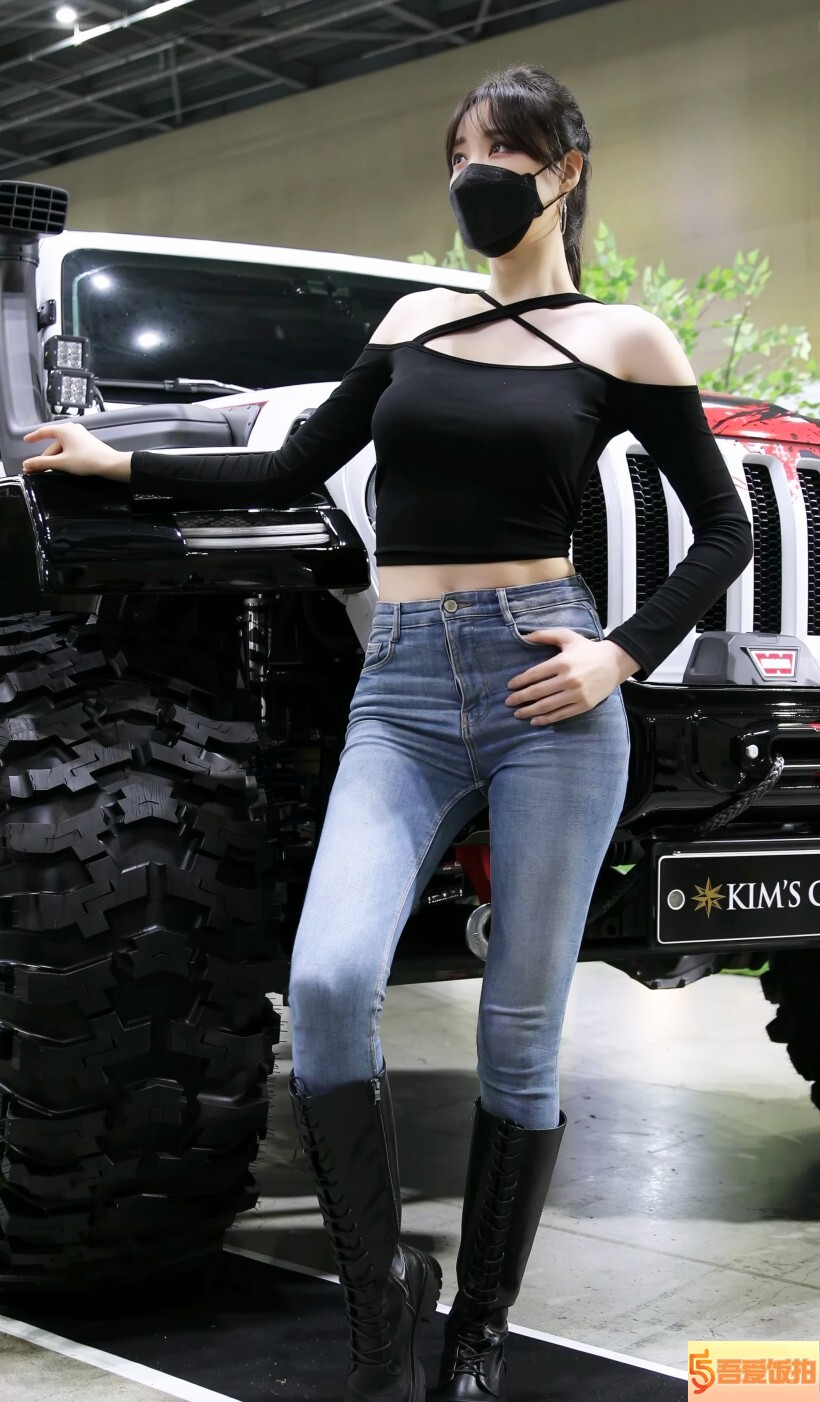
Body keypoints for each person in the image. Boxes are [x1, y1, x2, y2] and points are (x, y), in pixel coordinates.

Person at [22, 62, 753, 1402]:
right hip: (404, 688)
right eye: (461, 151)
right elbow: (290, 468)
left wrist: (619, 653)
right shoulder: (417, 318)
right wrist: (117, 459)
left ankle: (477, 1329)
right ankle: (382, 1308)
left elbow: (725, 528)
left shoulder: (625, 339)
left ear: (564, 172)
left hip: (548, 688)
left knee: (520, 1032)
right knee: (327, 985)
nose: (476, 174)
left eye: (503, 152)